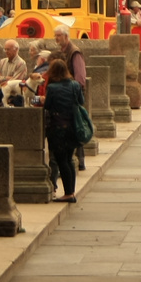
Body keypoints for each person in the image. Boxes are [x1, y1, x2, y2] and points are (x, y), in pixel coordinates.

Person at [41, 58, 86, 204]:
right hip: (73, 127)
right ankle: (71, 191)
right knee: (69, 159)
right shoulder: (75, 85)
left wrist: (42, 100)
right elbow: (81, 101)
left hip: (58, 128)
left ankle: (68, 193)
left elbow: (47, 105)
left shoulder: (52, 88)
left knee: (61, 161)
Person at [53, 27, 90, 167]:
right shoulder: (60, 52)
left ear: (66, 36)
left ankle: (80, 161)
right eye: (55, 36)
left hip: (72, 95)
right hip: (65, 94)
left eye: (59, 36)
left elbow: (80, 78)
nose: (56, 38)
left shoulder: (74, 52)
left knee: (77, 127)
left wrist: (72, 92)